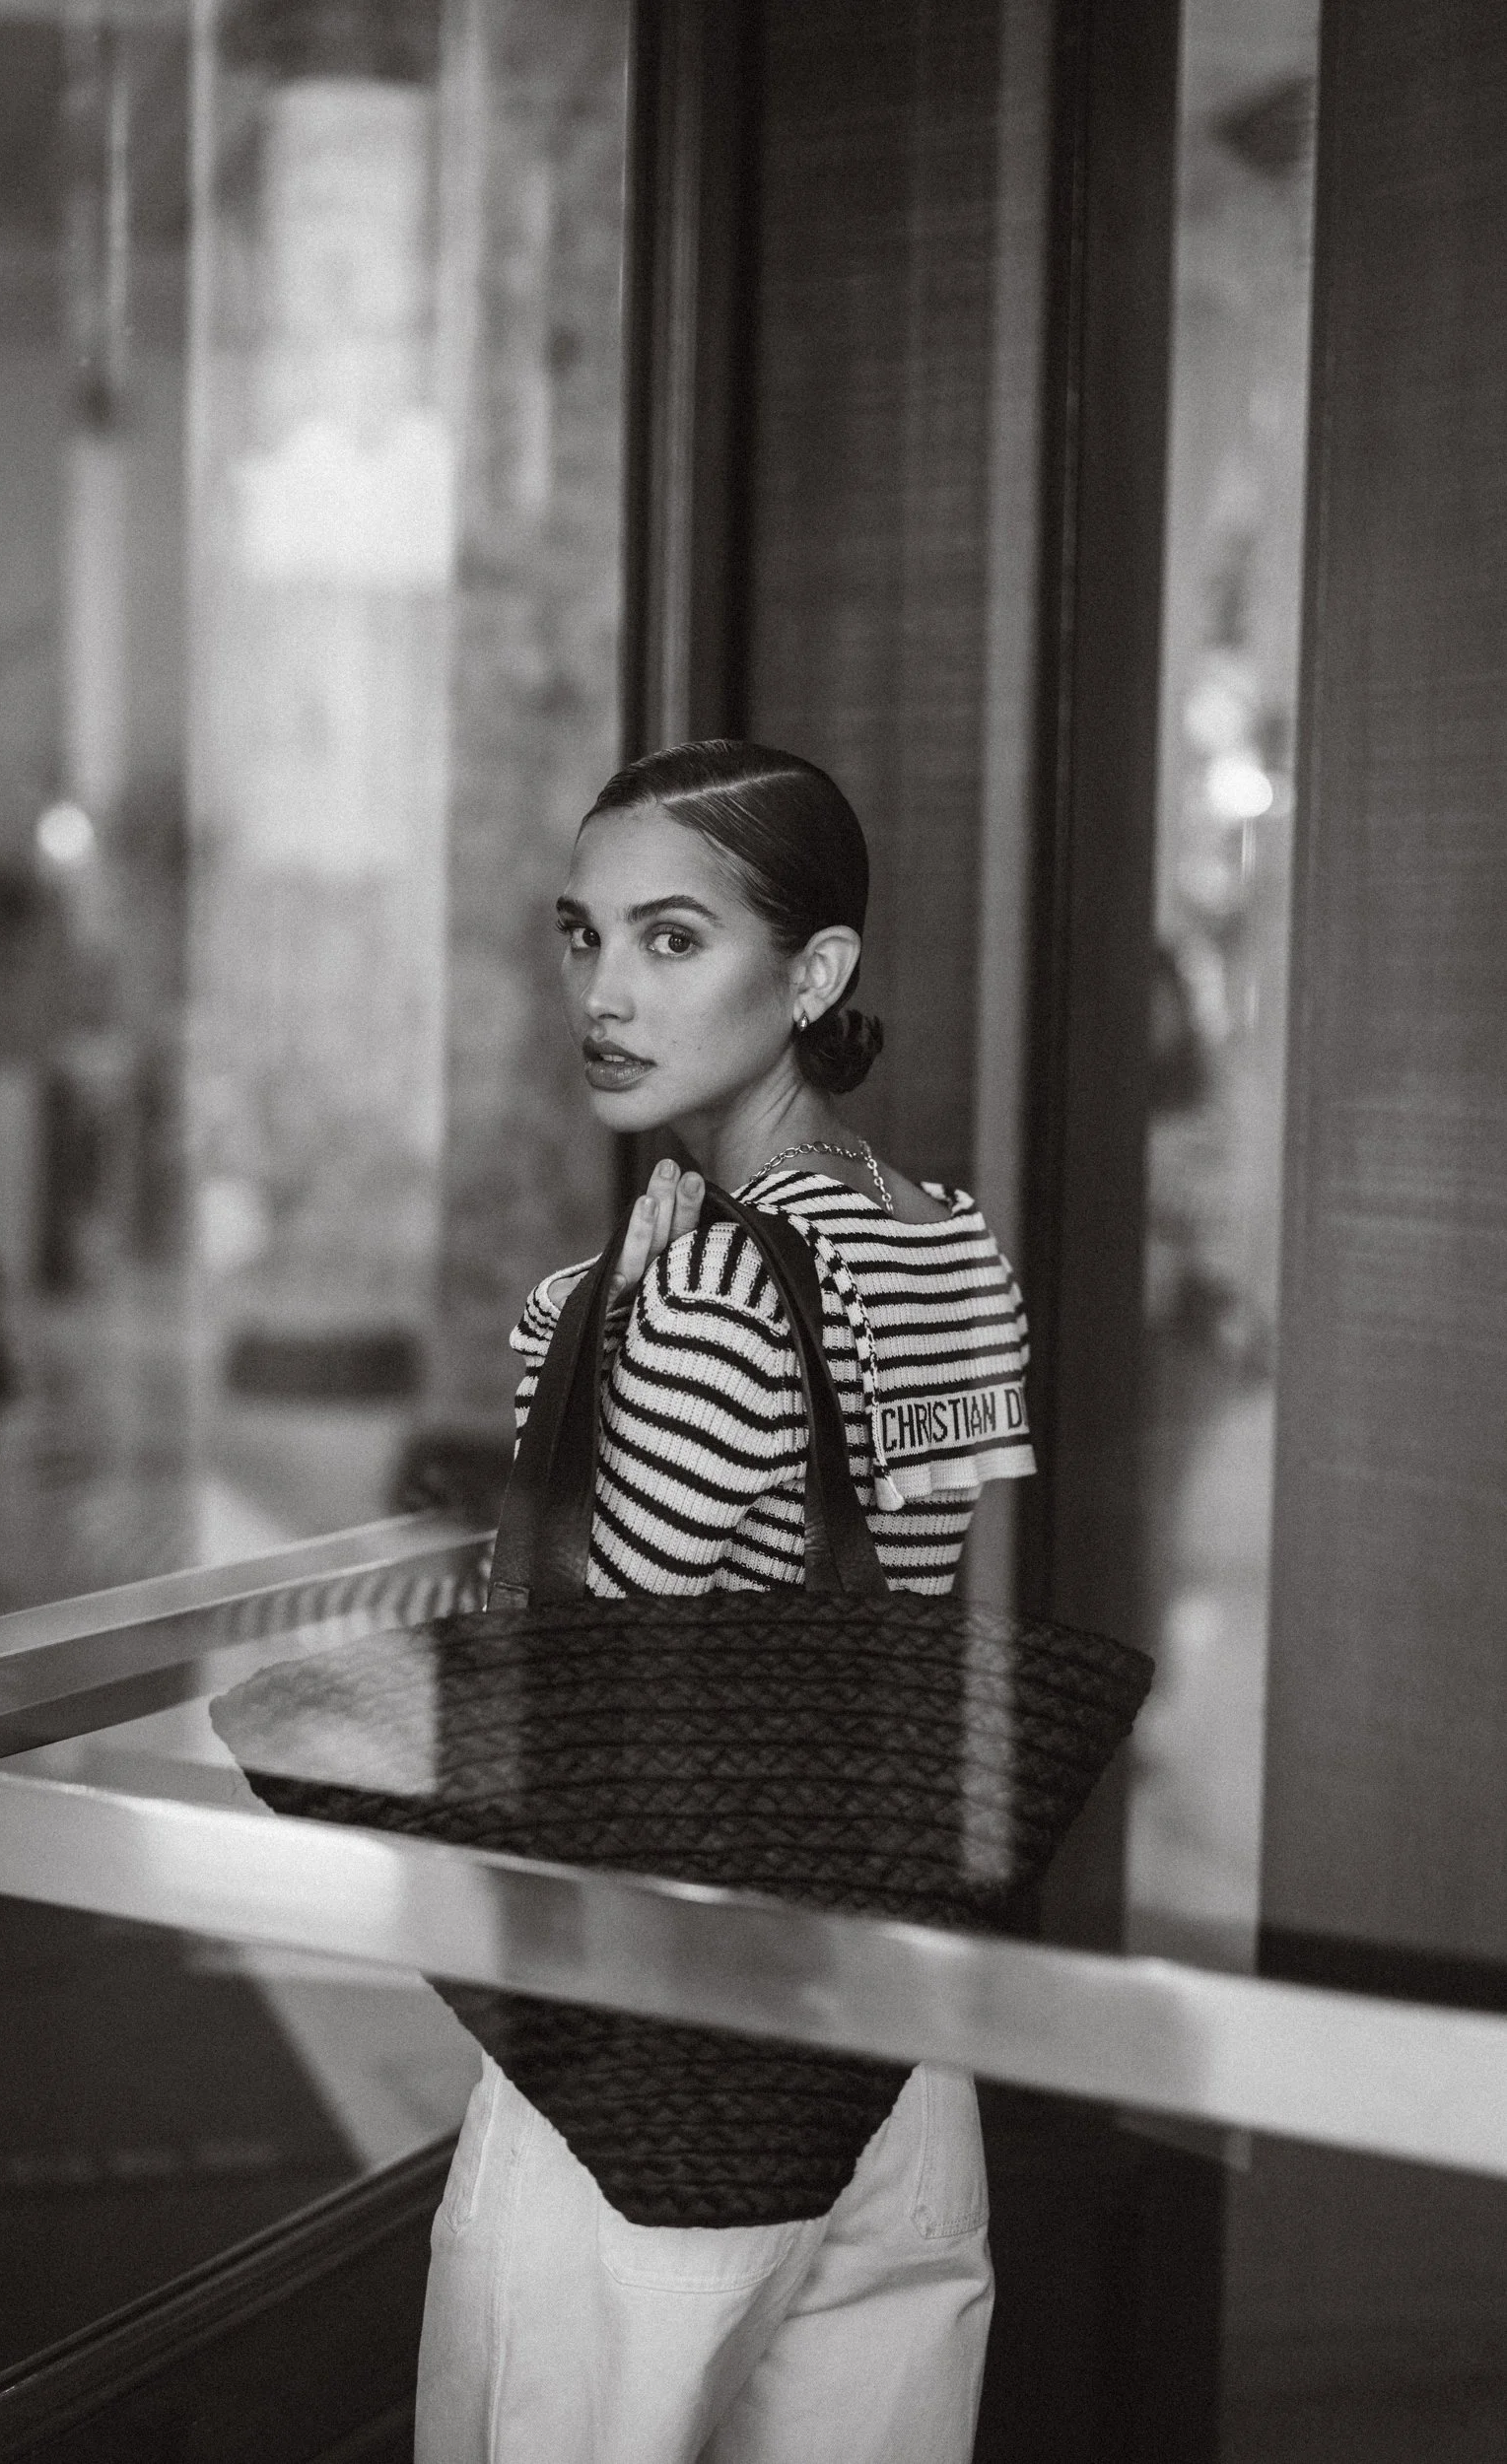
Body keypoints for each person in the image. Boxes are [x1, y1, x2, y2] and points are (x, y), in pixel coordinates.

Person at [415, 740, 1036, 2464]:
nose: (605, 993)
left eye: (671, 941)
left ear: (814, 969)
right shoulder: (945, 1240)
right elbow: (916, 1598)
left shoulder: (680, 1292)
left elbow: (570, 1689)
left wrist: (587, 1328)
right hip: (894, 2026)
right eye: (582, 936)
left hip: (665, 2031)